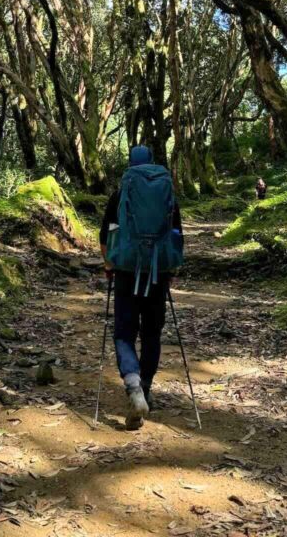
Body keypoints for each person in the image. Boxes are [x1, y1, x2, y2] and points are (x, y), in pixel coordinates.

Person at [99, 145, 182, 430]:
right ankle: (146, 387)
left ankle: (133, 386)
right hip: (158, 271)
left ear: (130, 165)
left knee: (124, 332)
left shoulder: (121, 193)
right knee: (151, 332)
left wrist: (109, 264)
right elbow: (176, 233)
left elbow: (106, 233)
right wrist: (171, 269)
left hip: (125, 271)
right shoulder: (166, 191)